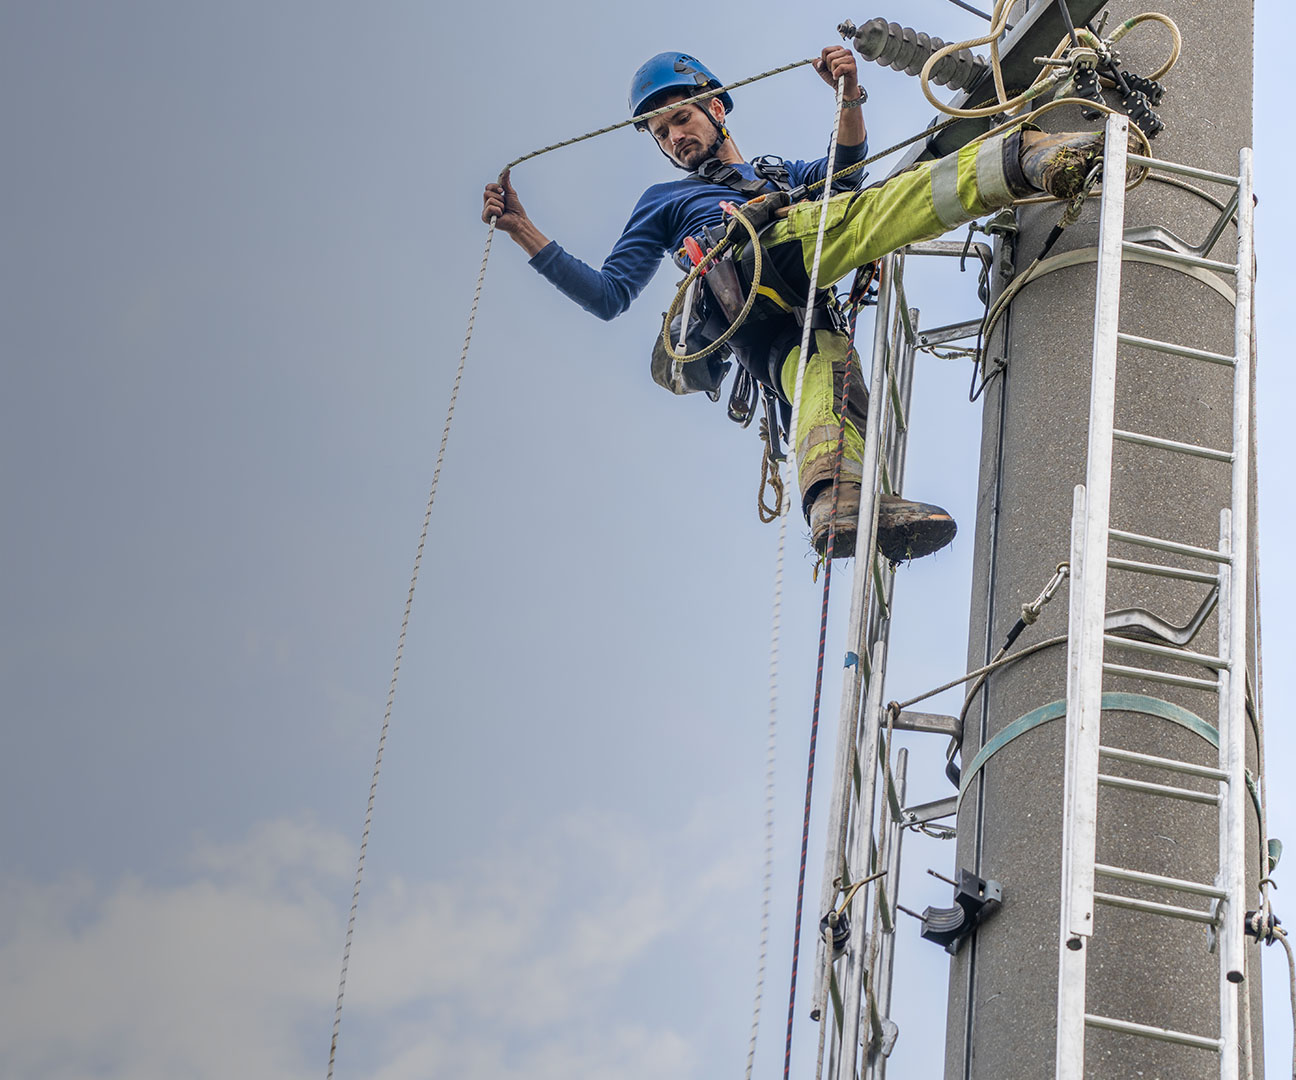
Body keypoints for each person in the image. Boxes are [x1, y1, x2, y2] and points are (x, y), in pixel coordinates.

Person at [482, 46, 1107, 561]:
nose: (674, 137)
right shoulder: (664, 200)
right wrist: (524, 231)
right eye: (662, 131)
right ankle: (1021, 159)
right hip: (750, 268)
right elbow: (608, 295)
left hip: (787, 324)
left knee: (829, 378)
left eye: (681, 118)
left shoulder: (780, 174)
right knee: (874, 215)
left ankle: (832, 496)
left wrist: (848, 94)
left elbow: (848, 166)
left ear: (717, 107)